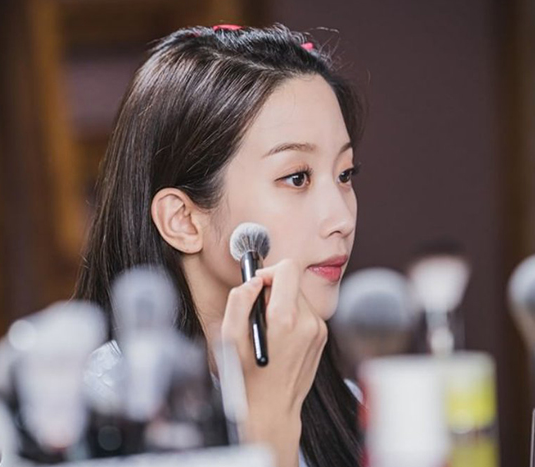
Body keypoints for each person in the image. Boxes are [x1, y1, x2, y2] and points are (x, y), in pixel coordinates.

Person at [75, 23, 366, 467]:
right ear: (183, 219)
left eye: (344, 175)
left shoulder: (346, 405)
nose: (341, 219)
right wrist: (266, 429)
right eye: (297, 177)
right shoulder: (94, 415)